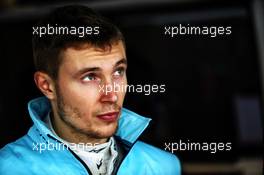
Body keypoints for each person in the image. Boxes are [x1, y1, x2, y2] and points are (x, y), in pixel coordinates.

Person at [0, 5, 181, 175]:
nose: (111, 96)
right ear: (47, 86)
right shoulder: (8, 168)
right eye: (90, 77)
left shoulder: (163, 166)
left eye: (118, 72)